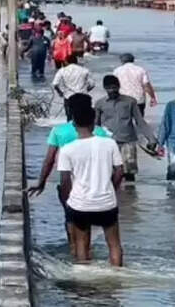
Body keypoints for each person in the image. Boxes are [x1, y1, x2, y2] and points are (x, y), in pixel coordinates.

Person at [27, 94, 114, 247]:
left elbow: (49, 160)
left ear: (69, 110)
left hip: (69, 184)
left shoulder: (59, 131)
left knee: (71, 219)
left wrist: (41, 182)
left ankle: (75, 252)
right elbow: (112, 164)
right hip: (97, 186)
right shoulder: (101, 132)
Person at [57, 99, 125, 265]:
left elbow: (65, 181)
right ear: (94, 122)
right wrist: (111, 189)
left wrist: (68, 201)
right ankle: (117, 278)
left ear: (73, 123)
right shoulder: (110, 144)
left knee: (82, 244)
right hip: (106, 202)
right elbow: (119, 171)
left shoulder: (67, 150)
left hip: (80, 204)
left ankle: (84, 278)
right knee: (114, 244)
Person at [94, 75, 158, 183]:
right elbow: (96, 125)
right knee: (109, 171)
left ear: (119, 86)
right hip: (108, 142)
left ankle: (130, 195)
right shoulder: (100, 104)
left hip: (128, 141)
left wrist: (151, 139)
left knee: (129, 171)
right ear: (105, 88)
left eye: (114, 87)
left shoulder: (130, 102)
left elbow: (140, 122)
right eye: (109, 88)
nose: (112, 90)